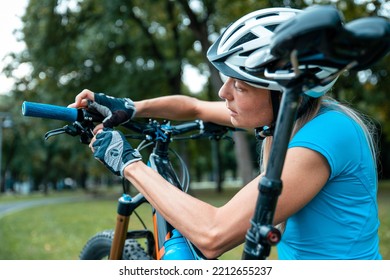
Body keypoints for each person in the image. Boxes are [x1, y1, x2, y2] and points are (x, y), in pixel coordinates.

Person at [69, 7, 382, 260]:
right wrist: (129, 107)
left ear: (285, 93)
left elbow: (212, 235)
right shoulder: (289, 117)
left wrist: (127, 162)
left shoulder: (328, 134)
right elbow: (193, 107)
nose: (223, 92)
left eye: (240, 86)